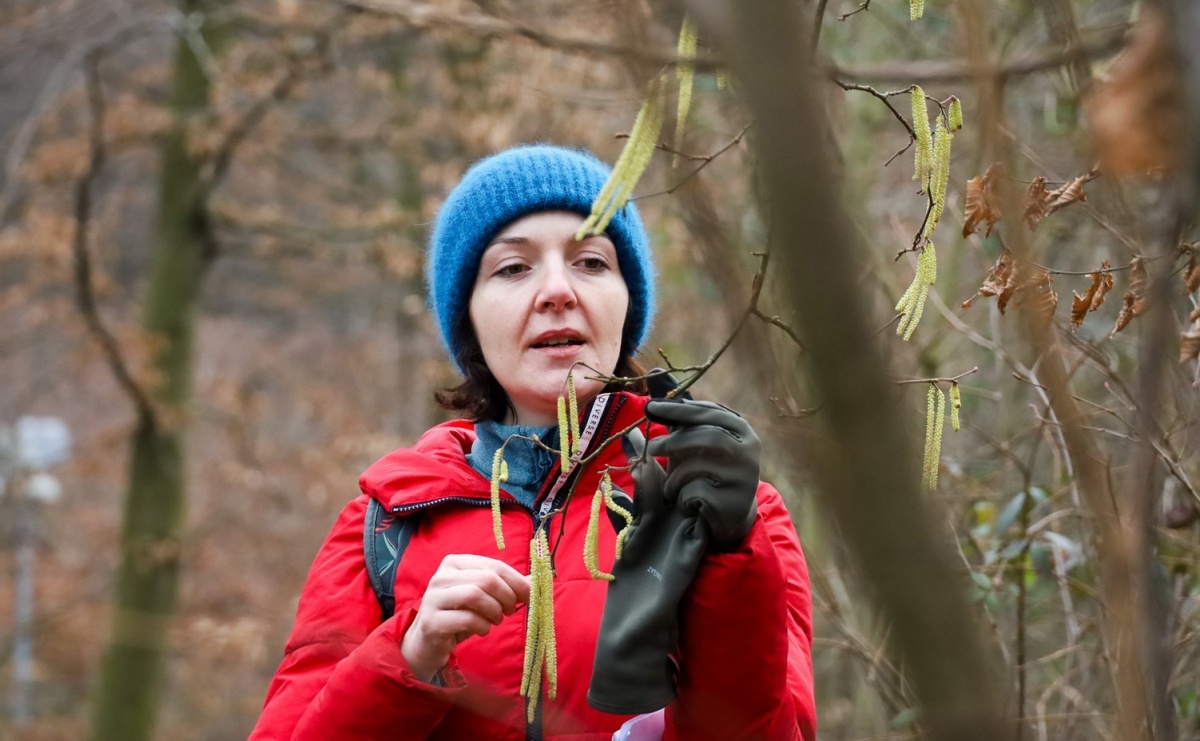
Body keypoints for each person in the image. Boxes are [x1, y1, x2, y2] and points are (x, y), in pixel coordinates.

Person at [249, 145, 816, 741]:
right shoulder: (386, 525)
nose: (556, 291)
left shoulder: (734, 514)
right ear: (468, 316)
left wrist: (730, 560)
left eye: (592, 263)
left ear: (627, 304)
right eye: (513, 268)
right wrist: (409, 653)